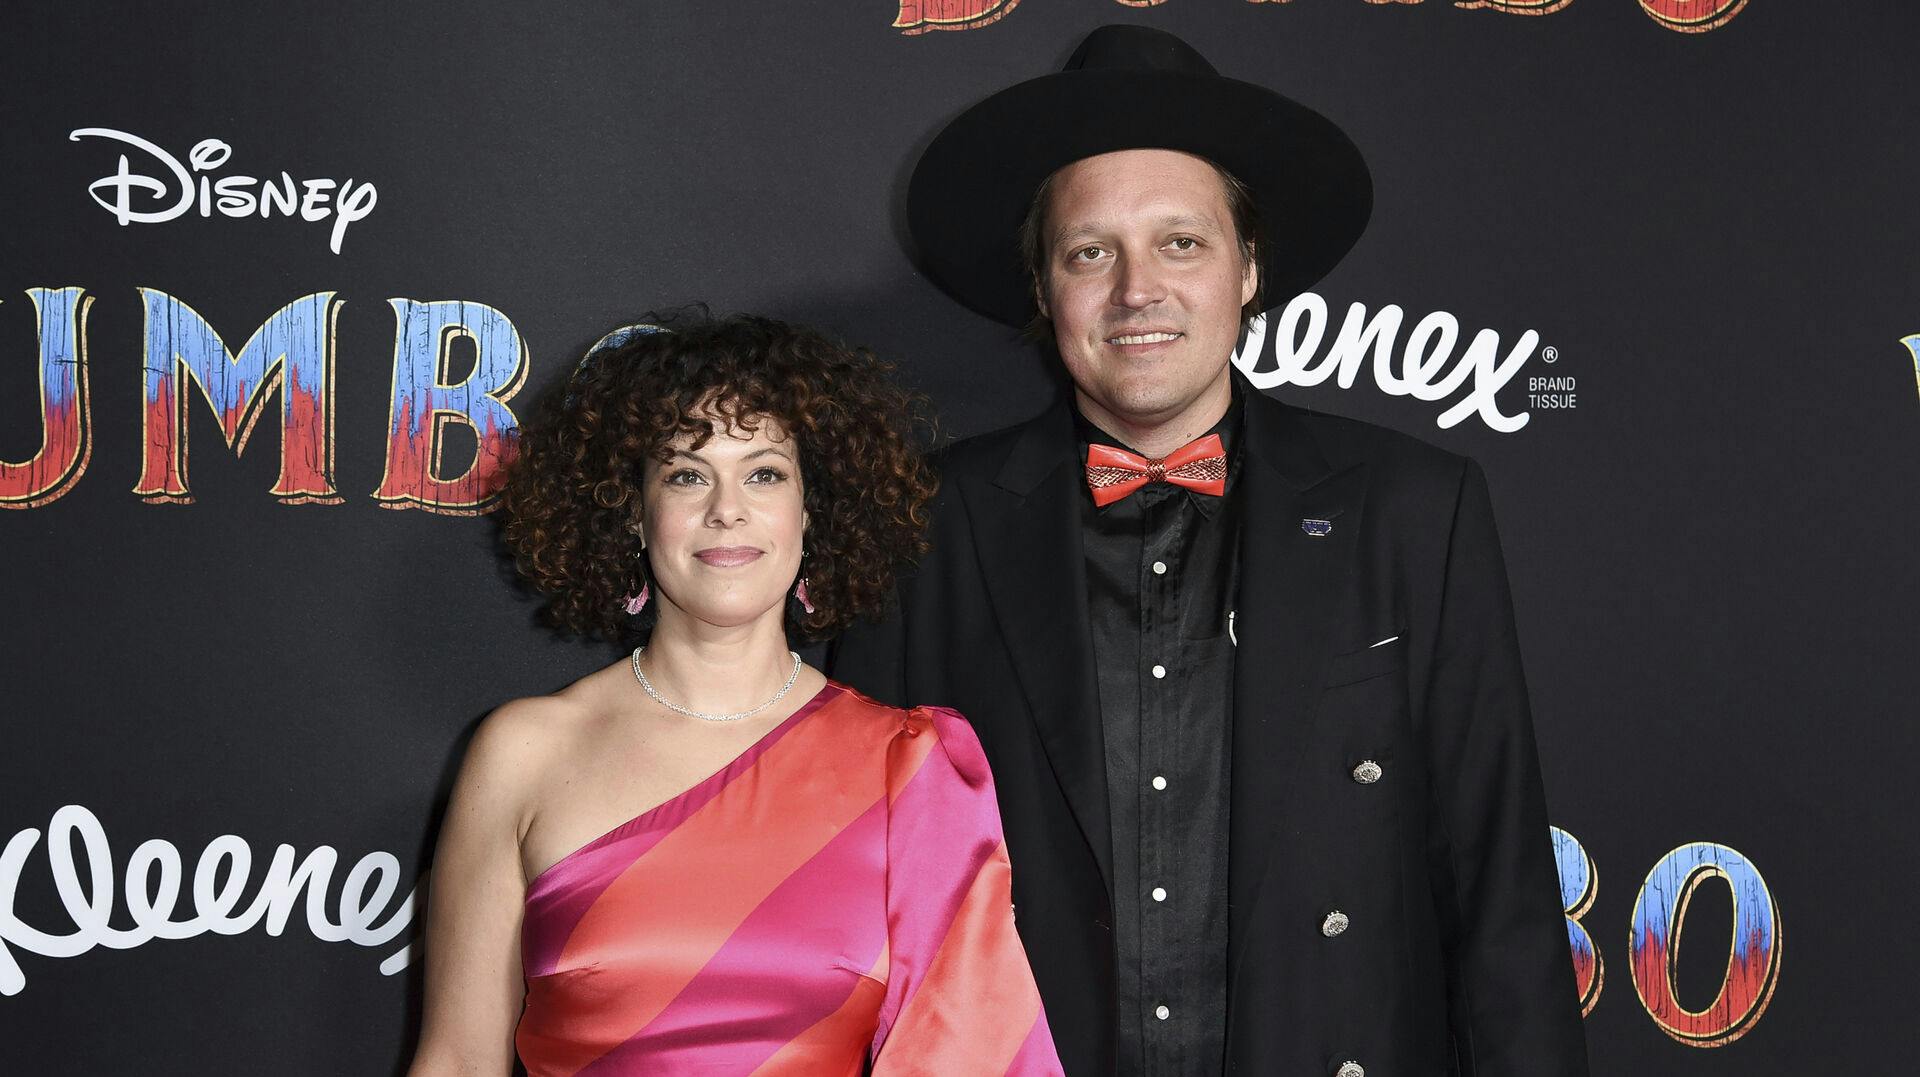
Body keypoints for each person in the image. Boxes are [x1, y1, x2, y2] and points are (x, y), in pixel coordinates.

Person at [829, 25, 1589, 1077]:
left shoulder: (1415, 507)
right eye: (1090, 251)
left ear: (1248, 267)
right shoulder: (922, 522)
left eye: (1180, 241)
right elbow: (849, 899)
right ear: (1044, 290)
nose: (1137, 287)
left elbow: (1499, 884)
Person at [407, 313, 1063, 1076]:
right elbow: (455, 1059)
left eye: (764, 472)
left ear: (811, 512)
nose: (728, 507)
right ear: (634, 513)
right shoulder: (523, 752)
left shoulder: (909, 766)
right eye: (687, 473)